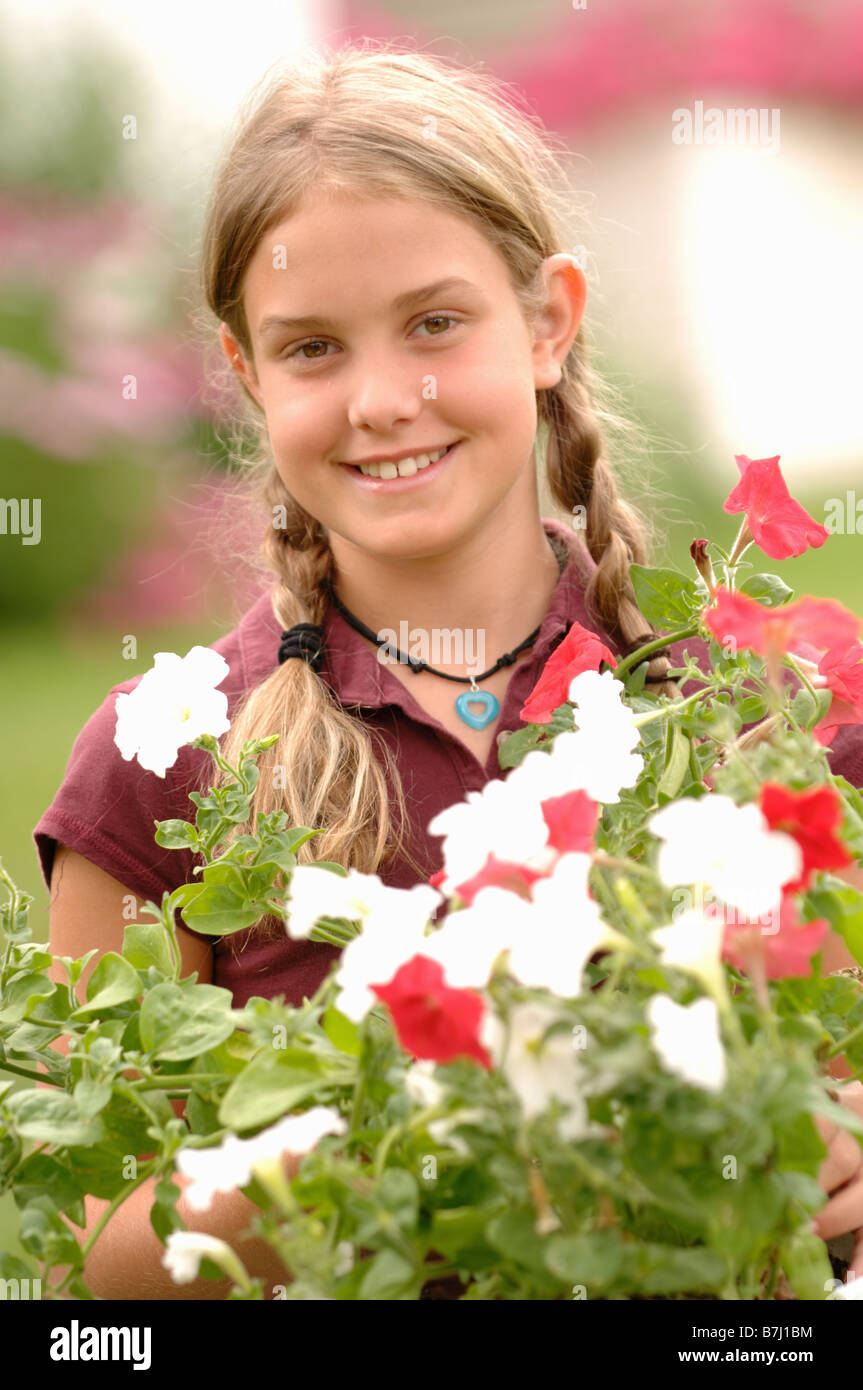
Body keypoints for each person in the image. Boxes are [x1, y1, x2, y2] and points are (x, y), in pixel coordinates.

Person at [34, 41, 863, 1300]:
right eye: (311, 348)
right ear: (246, 372)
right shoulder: (165, 760)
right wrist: (399, 1124)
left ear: (545, 321)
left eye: (433, 322)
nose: (381, 399)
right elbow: (103, 1259)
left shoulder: (751, 712)